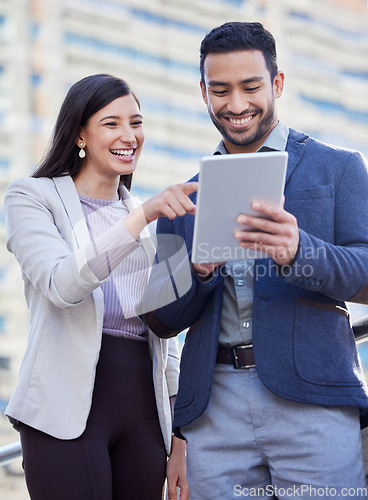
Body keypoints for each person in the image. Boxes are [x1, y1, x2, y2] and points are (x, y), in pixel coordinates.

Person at [140, 22, 368, 498]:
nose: (237, 105)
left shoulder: (339, 167)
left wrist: (298, 251)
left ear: (277, 83)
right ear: (203, 92)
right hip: (214, 413)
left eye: (251, 87)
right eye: (220, 90)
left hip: (313, 400)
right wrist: (198, 271)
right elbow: (161, 319)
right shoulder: (184, 199)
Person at [4, 73, 195, 500]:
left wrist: (180, 439)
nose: (129, 135)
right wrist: (139, 218)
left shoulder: (145, 225)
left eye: (136, 122)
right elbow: (61, 284)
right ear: (79, 135)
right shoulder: (32, 198)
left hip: (144, 414)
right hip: (63, 411)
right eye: (111, 123)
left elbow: (167, 342)